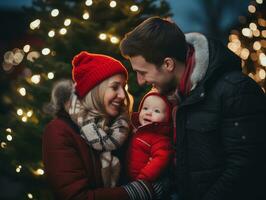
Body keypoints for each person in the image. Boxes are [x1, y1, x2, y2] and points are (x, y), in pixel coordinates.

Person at [120, 17, 266, 200]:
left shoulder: (236, 91)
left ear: (168, 64)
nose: (140, 81)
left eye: (143, 72)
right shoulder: (171, 100)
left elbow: (245, 169)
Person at [42, 51, 164, 200]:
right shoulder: (59, 131)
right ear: (94, 90)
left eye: (123, 87)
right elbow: (76, 196)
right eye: (115, 87)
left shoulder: (124, 127)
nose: (122, 95)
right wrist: (139, 192)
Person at [127, 91, 173, 182]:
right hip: (128, 177)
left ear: (167, 118)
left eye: (156, 111)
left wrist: (144, 178)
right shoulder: (137, 130)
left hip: (142, 181)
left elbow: (160, 160)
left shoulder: (160, 139)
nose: (148, 113)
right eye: (145, 108)